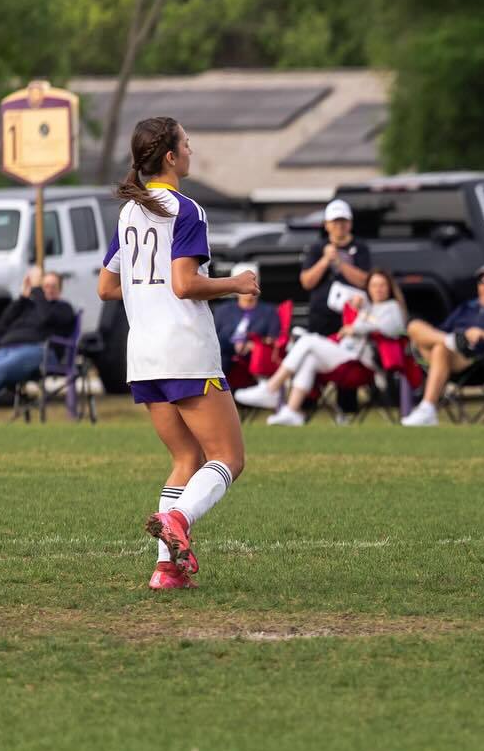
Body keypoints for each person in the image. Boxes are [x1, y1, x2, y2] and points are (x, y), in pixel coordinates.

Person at [97, 116, 256, 591]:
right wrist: (235, 283)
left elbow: (107, 287)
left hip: (144, 356)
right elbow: (185, 284)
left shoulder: (130, 212)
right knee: (228, 457)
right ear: (170, 156)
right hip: (184, 350)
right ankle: (178, 520)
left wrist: (147, 292)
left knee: (187, 458)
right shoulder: (187, 210)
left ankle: (166, 569)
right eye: (186, 143)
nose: (191, 150)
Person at [235, 269, 407, 425]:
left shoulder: (392, 307)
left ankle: (271, 388)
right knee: (309, 358)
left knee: (308, 341)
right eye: (374, 285)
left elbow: (393, 328)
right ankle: (292, 411)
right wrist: (356, 313)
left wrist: (355, 328)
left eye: (382, 285)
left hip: (361, 363)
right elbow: (341, 302)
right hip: (347, 355)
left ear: (389, 288)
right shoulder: (368, 307)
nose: (378, 289)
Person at [401, 264, 484, 426]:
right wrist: (454, 337)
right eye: (482, 282)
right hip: (447, 353)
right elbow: (442, 329)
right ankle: (452, 341)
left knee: (440, 348)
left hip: (480, 359)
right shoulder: (467, 307)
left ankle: (427, 408)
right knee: (414, 326)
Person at [301, 199, 372, 418]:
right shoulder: (317, 248)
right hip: (321, 316)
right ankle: (305, 407)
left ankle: (347, 409)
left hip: (348, 318)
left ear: (350, 223)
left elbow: (365, 280)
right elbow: (307, 282)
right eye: (335, 221)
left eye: (343, 221)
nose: (339, 226)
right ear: (327, 224)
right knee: (313, 354)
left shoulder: (360, 248)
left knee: (346, 360)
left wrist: (341, 263)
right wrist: (325, 260)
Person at [0, 267, 76, 418]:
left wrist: (37, 290)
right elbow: (5, 321)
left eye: (53, 286)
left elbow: (46, 317)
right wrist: (23, 296)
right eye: (45, 286)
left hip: (40, 350)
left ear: (60, 290)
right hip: (7, 349)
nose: (49, 289)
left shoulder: (63, 308)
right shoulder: (28, 307)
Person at [212, 262, 280, 385]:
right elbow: (213, 337)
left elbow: (273, 340)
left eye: (253, 281)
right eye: (244, 283)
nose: (249, 286)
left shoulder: (269, 312)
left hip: (253, 356)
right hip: (225, 352)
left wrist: (253, 345)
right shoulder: (223, 311)